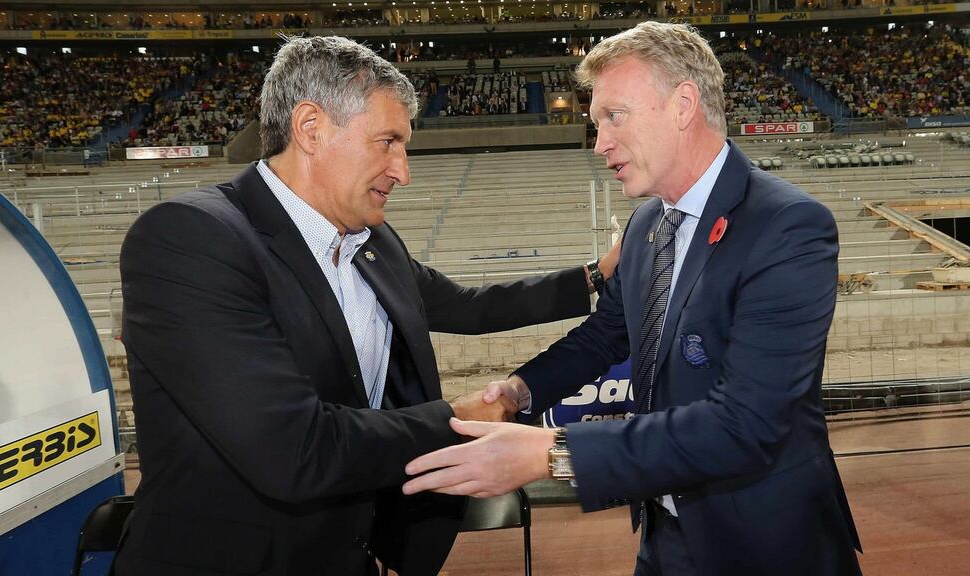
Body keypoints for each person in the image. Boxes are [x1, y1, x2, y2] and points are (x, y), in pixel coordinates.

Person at [116, 35, 618, 576]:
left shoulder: (371, 241)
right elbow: (291, 448)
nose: (402, 170)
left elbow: (470, 308)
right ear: (311, 128)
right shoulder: (192, 239)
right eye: (387, 142)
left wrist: (594, 276)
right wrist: (459, 418)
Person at [403, 22, 862, 576]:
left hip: (766, 543)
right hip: (664, 532)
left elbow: (746, 424)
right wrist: (517, 393)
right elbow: (605, 336)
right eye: (596, 124)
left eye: (614, 117)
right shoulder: (648, 224)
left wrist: (552, 453)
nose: (600, 144)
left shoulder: (787, 226)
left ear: (683, 105)